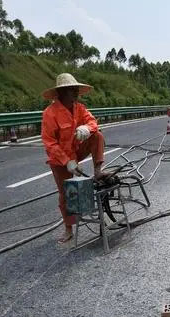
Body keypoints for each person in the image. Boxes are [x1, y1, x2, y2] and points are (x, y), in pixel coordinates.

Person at [41, 73, 107, 243]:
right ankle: (68, 228)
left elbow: (93, 122)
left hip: (76, 151)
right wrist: (66, 161)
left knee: (97, 135)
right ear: (62, 92)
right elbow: (49, 143)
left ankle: (98, 170)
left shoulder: (79, 108)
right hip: (59, 160)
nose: (76, 93)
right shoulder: (50, 113)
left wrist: (87, 128)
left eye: (76, 89)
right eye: (72, 90)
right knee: (66, 193)